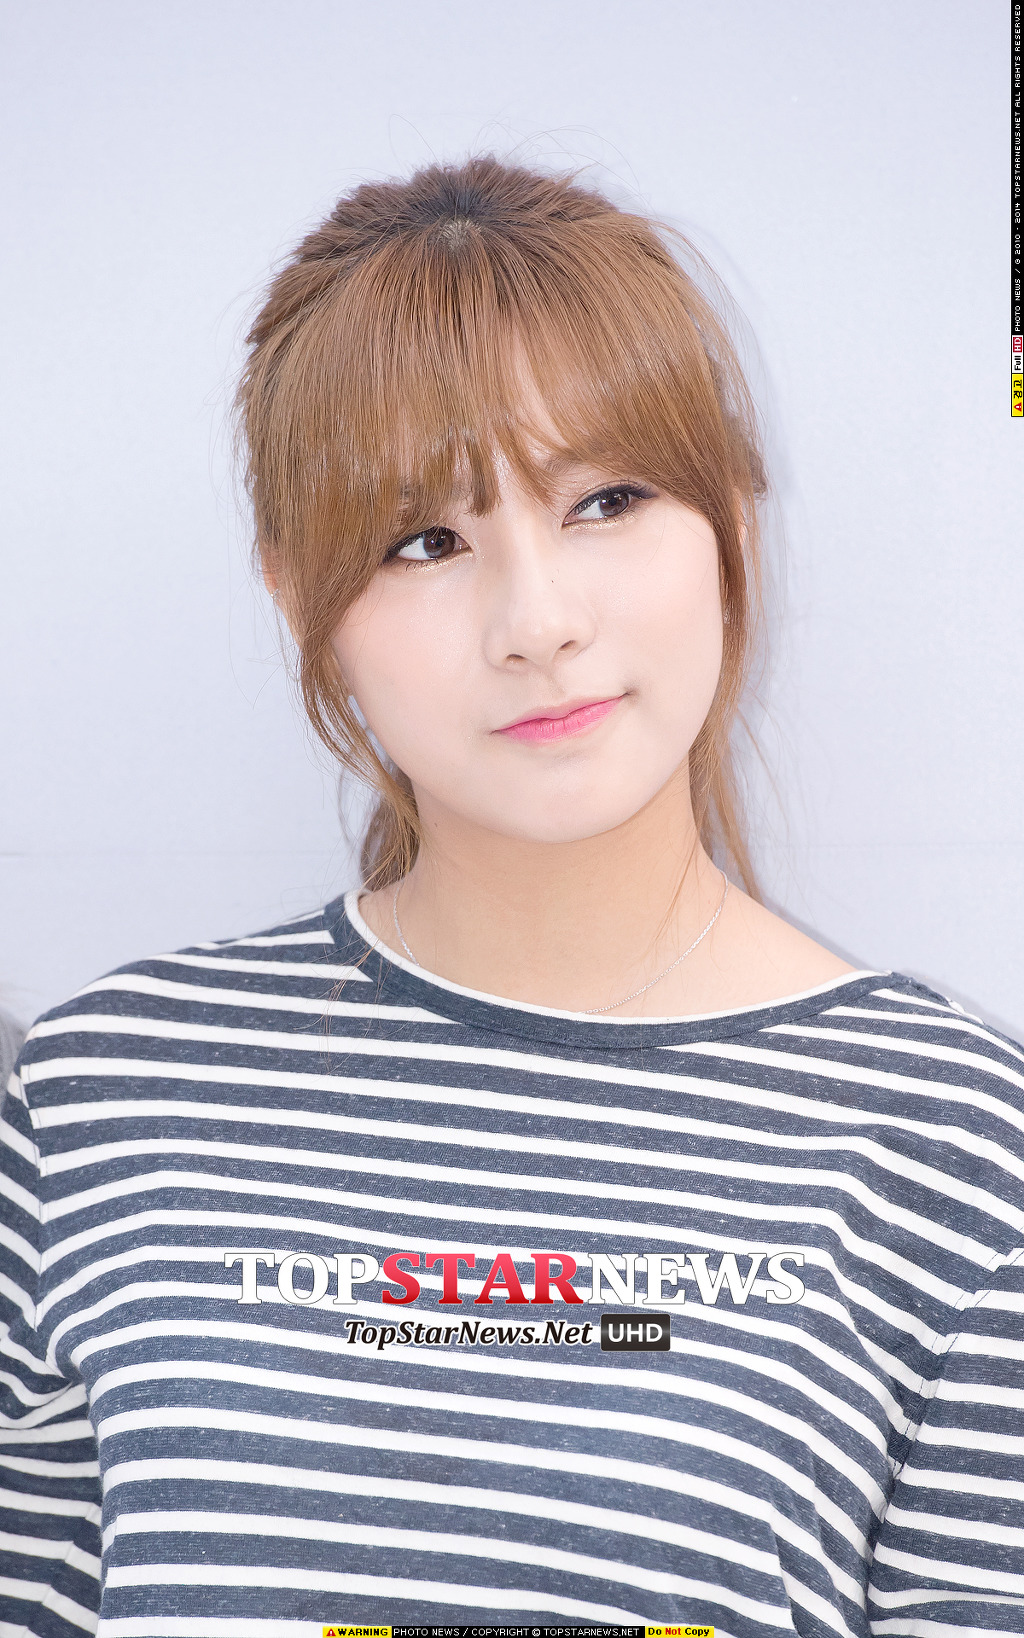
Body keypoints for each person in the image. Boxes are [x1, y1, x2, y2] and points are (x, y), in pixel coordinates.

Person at [1, 156, 1021, 1638]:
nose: (539, 622)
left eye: (607, 499)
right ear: (299, 596)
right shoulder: (99, 1094)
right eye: (426, 541)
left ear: (731, 521)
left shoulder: (955, 1144)